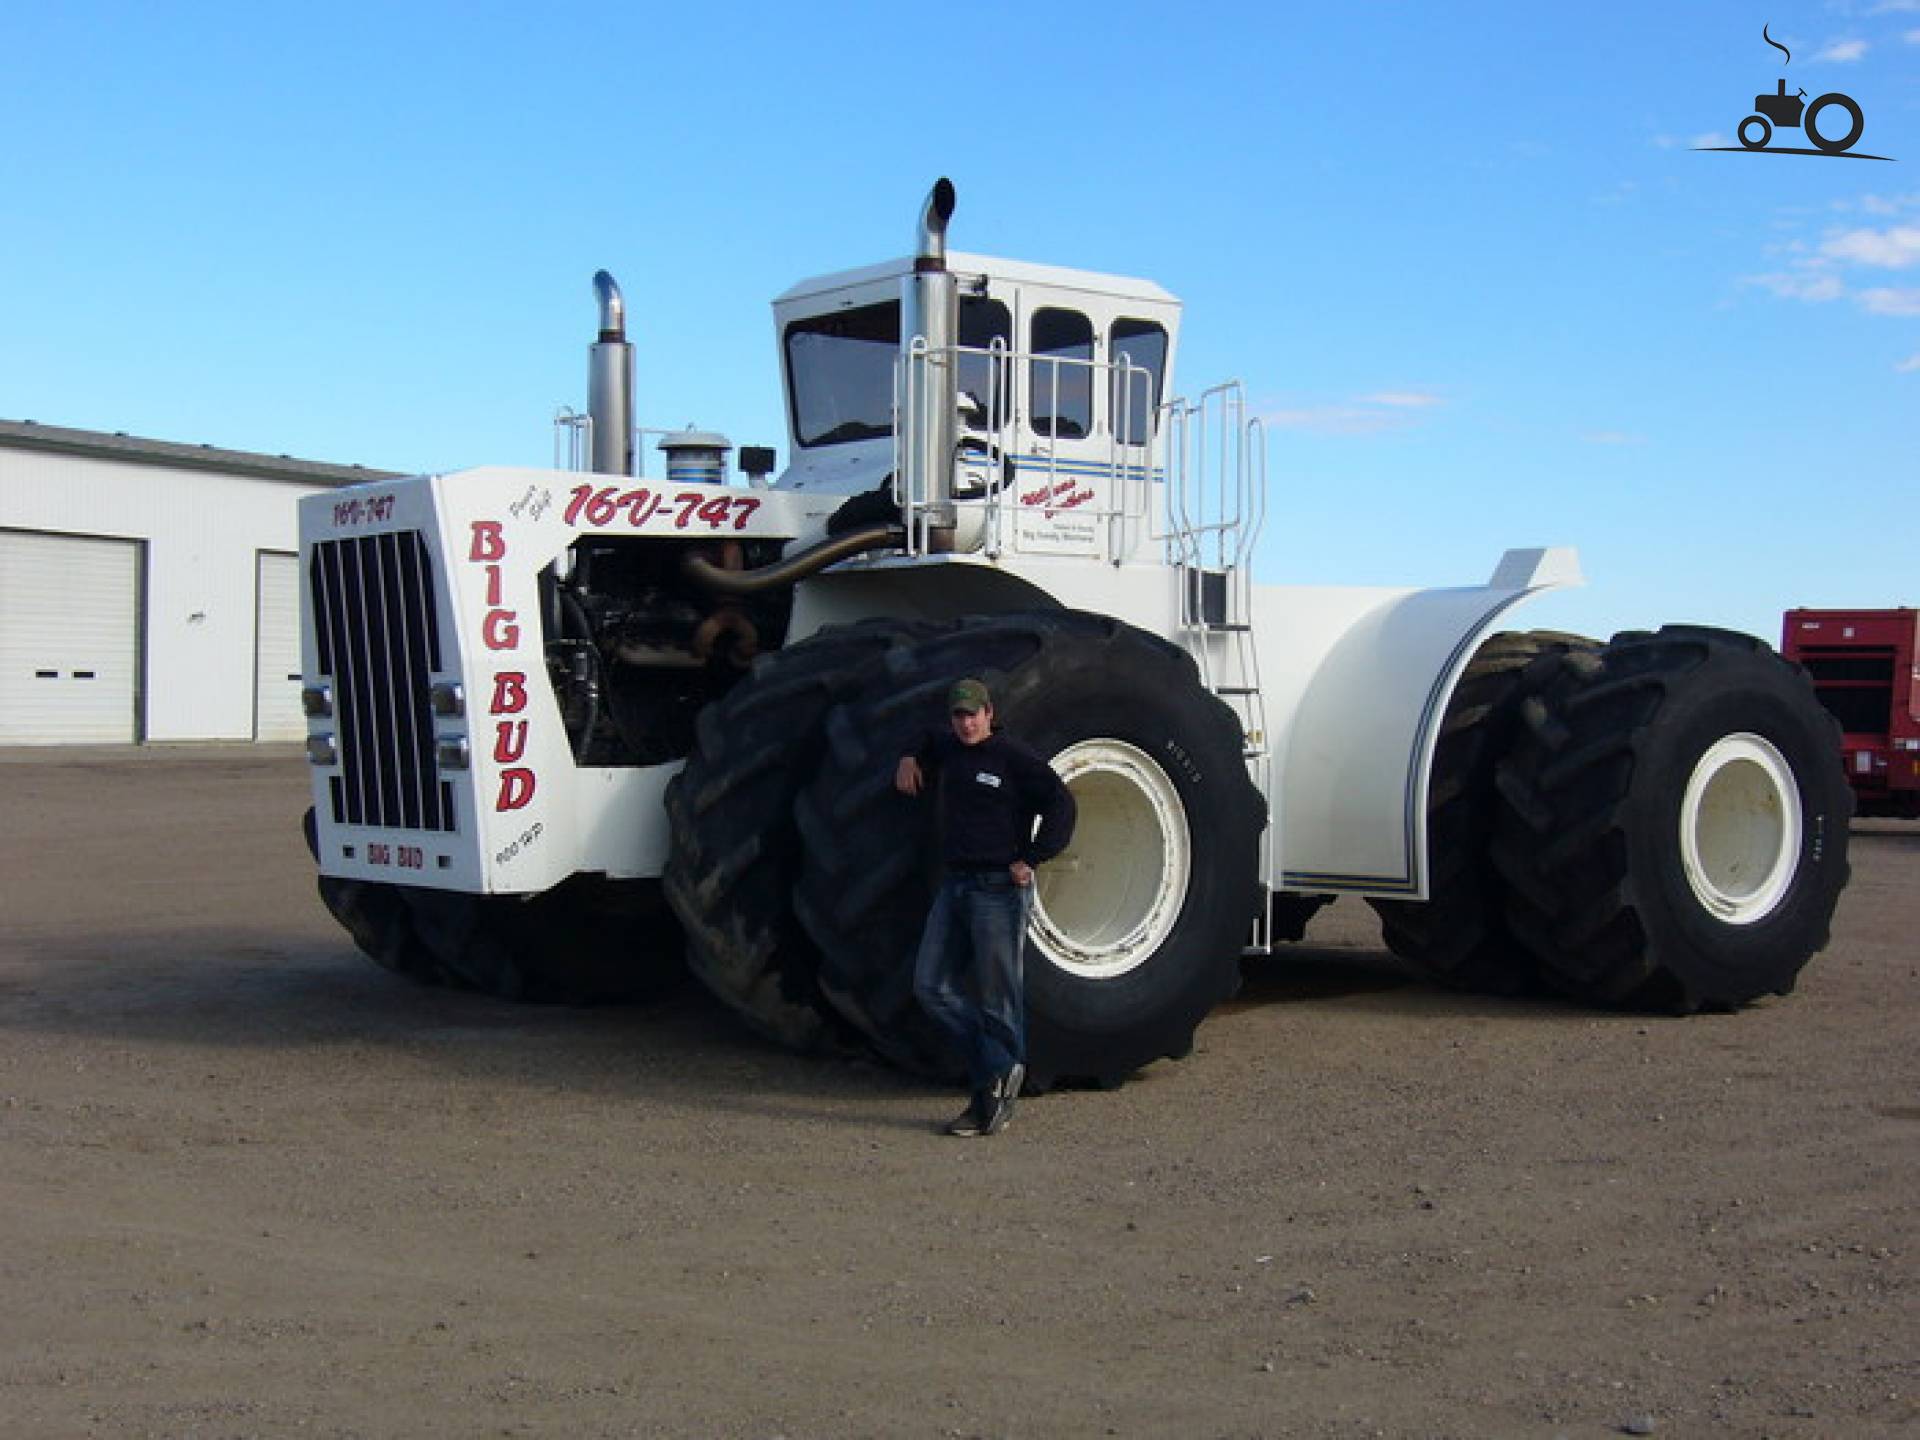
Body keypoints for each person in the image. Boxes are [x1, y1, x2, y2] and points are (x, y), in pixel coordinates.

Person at [894, 678, 1076, 1137]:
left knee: (998, 1000)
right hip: (955, 885)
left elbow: (1061, 803)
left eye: (973, 714)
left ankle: (986, 1104)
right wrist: (908, 757)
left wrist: (1032, 857)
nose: (967, 723)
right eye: (959, 715)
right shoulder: (948, 746)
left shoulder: (1012, 758)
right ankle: (1001, 1063)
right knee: (929, 986)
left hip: (998, 889)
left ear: (990, 713)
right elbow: (920, 735)